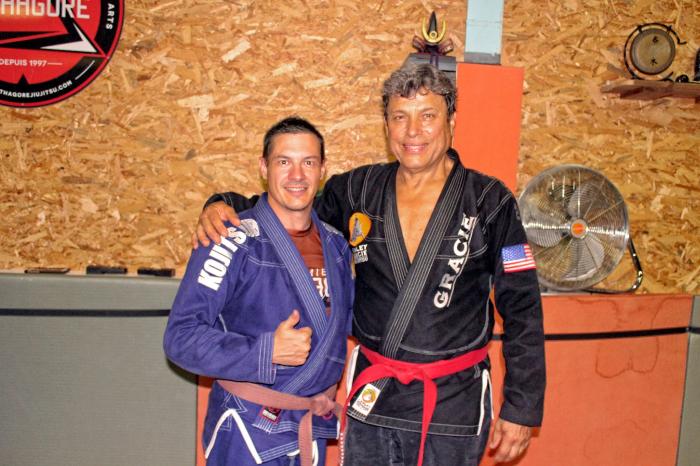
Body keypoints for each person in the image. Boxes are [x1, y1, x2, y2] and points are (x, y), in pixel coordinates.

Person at [193, 64, 546, 466]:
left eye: (427, 116)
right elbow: (291, 207)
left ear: (451, 121)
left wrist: (522, 407)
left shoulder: (490, 201)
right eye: (400, 117)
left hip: (452, 405)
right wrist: (223, 203)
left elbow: (523, 307)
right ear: (386, 126)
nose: (413, 132)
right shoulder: (358, 190)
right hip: (373, 400)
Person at [164, 117, 354, 466]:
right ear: (264, 168)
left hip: (308, 426)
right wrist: (265, 352)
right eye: (284, 162)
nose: (297, 175)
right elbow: (181, 337)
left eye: (308, 162)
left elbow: (347, 322)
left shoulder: (337, 246)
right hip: (247, 430)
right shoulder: (231, 240)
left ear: (322, 170)